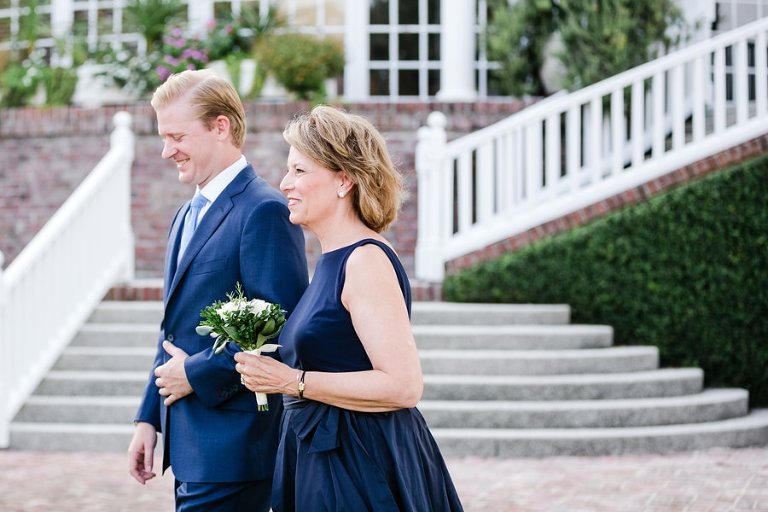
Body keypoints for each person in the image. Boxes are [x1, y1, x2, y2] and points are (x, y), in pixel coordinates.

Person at [234, 105, 464, 511]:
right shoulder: (329, 260)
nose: (285, 183)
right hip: (321, 457)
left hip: (359, 465)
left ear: (344, 180)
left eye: (300, 171)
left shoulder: (365, 260)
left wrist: (293, 381)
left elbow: (404, 386)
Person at [127, 69, 309, 512]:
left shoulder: (263, 209)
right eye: (163, 137)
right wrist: (149, 417)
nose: (167, 150)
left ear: (221, 127)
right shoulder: (184, 217)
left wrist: (195, 374)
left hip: (236, 449)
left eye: (177, 136)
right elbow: (172, 329)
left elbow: (278, 324)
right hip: (187, 446)